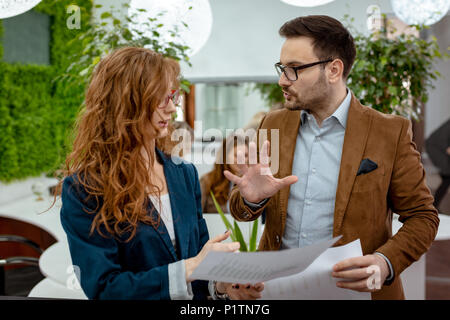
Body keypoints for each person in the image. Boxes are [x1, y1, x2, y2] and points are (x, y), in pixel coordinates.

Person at [225, 15, 439, 300]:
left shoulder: (390, 131)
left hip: (354, 294)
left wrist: (383, 263)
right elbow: (241, 212)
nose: (282, 80)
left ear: (334, 70)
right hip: (276, 291)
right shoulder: (273, 124)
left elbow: (422, 216)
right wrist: (251, 199)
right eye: (282, 68)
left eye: (294, 69)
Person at [57, 47, 263, 300]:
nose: (172, 109)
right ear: (127, 102)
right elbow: (105, 290)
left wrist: (221, 286)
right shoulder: (85, 189)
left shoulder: (183, 174)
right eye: (160, 98)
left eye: (172, 96)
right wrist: (190, 268)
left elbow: (197, 268)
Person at [200, 133, 249, 213]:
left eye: (246, 155)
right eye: (236, 155)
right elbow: (196, 214)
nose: (242, 160)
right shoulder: (207, 181)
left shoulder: (251, 182)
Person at [425, 118, 450, 212]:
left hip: (442, 147)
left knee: (447, 177)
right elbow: (442, 141)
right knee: (447, 176)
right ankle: (434, 206)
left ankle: (435, 205)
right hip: (435, 147)